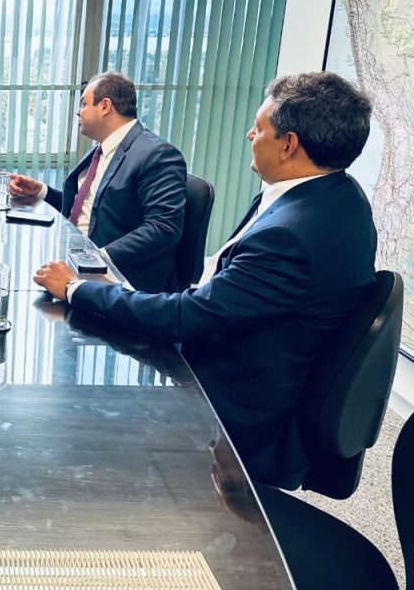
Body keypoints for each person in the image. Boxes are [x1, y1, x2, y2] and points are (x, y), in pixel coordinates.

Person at [34, 71, 377, 487]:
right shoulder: (336, 197)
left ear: (289, 144)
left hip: (236, 406)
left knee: (74, 420)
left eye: (259, 128)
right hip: (253, 353)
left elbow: (188, 317)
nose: (250, 135)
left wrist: (76, 288)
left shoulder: (290, 236)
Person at [11, 71, 187, 292]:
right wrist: (41, 191)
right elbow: (90, 207)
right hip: (76, 258)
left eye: (84, 104)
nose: (78, 111)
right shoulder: (101, 149)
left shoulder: (156, 154)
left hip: (119, 279)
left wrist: (96, 258)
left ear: (105, 106)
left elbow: (164, 228)